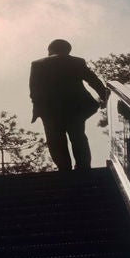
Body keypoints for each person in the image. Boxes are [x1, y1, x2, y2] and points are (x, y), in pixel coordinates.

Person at [29, 39, 109, 173]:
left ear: (50, 50)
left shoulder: (38, 64)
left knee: (55, 140)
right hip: (76, 108)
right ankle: (83, 168)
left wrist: (37, 108)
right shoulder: (77, 62)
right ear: (68, 50)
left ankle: (64, 168)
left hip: (50, 110)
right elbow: (93, 80)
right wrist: (104, 96)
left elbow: (34, 90)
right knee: (78, 136)